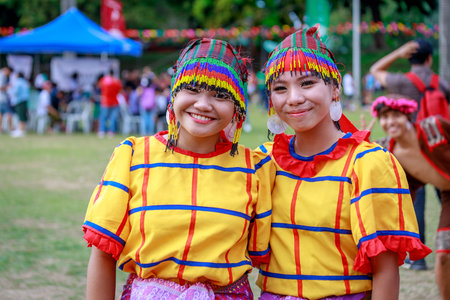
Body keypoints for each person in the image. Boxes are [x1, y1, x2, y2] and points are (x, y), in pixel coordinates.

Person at [83, 37, 271, 299]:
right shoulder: (133, 156)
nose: (203, 104)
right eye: (192, 89)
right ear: (174, 94)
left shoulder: (256, 169)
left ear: (238, 108)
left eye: (220, 94)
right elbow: (103, 253)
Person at [254, 25, 431, 300]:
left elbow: (385, 271)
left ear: (335, 88)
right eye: (280, 88)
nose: (294, 98)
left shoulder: (368, 163)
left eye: (307, 83)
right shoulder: (263, 161)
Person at [370, 38, 450, 270]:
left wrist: (397, 52)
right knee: (445, 196)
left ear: (410, 58)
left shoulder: (401, 81)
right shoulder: (440, 83)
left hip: (409, 148)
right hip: (438, 148)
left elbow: (375, 70)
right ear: (429, 59)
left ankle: (417, 259)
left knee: (414, 204)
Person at [371, 94, 450, 299]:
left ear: (408, 115)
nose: (390, 122)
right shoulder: (390, 151)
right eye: (384, 117)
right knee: (443, 257)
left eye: (395, 115)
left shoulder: (435, 128)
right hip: (448, 195)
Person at [98, 70, 122, 138]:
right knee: (113, 118)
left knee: (103, 117)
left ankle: (101, 131)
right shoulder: (117, 81)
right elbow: (119, 91)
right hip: (114, 102)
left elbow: (100, 88)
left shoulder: (103, 80)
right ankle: (111, 132)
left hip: (105, 101)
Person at [9, 72, 30, 138]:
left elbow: (15, 92)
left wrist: (10, 89)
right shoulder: (25, 82)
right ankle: (22, 129)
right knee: (23, 115)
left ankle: (21, 130)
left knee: (21, 115)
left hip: (19, 100)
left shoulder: (18, 82)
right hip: (24, 100)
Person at [0, 66, 13, 133]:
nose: (9, 74)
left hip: (1, 98)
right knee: (9, 113)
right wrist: (8, 86)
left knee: (1, 114)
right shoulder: (2, 76)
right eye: (9, 72)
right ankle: (11, 129)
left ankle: (1, 128)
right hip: (3, 98)